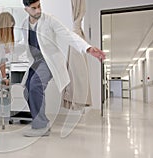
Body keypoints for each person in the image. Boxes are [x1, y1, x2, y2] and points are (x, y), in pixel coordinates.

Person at [20, 0, 106, 137]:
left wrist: (87, 48)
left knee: (36, 84)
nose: (38, 11)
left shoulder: (49, 20)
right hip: (35, 62)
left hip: (49, 61)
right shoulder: (24, 24)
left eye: (39, 6)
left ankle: (40, 126)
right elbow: (26, 44)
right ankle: (42, 122)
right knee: (26, 91)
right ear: (26, 9)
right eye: (34, 8)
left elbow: (68, 35)